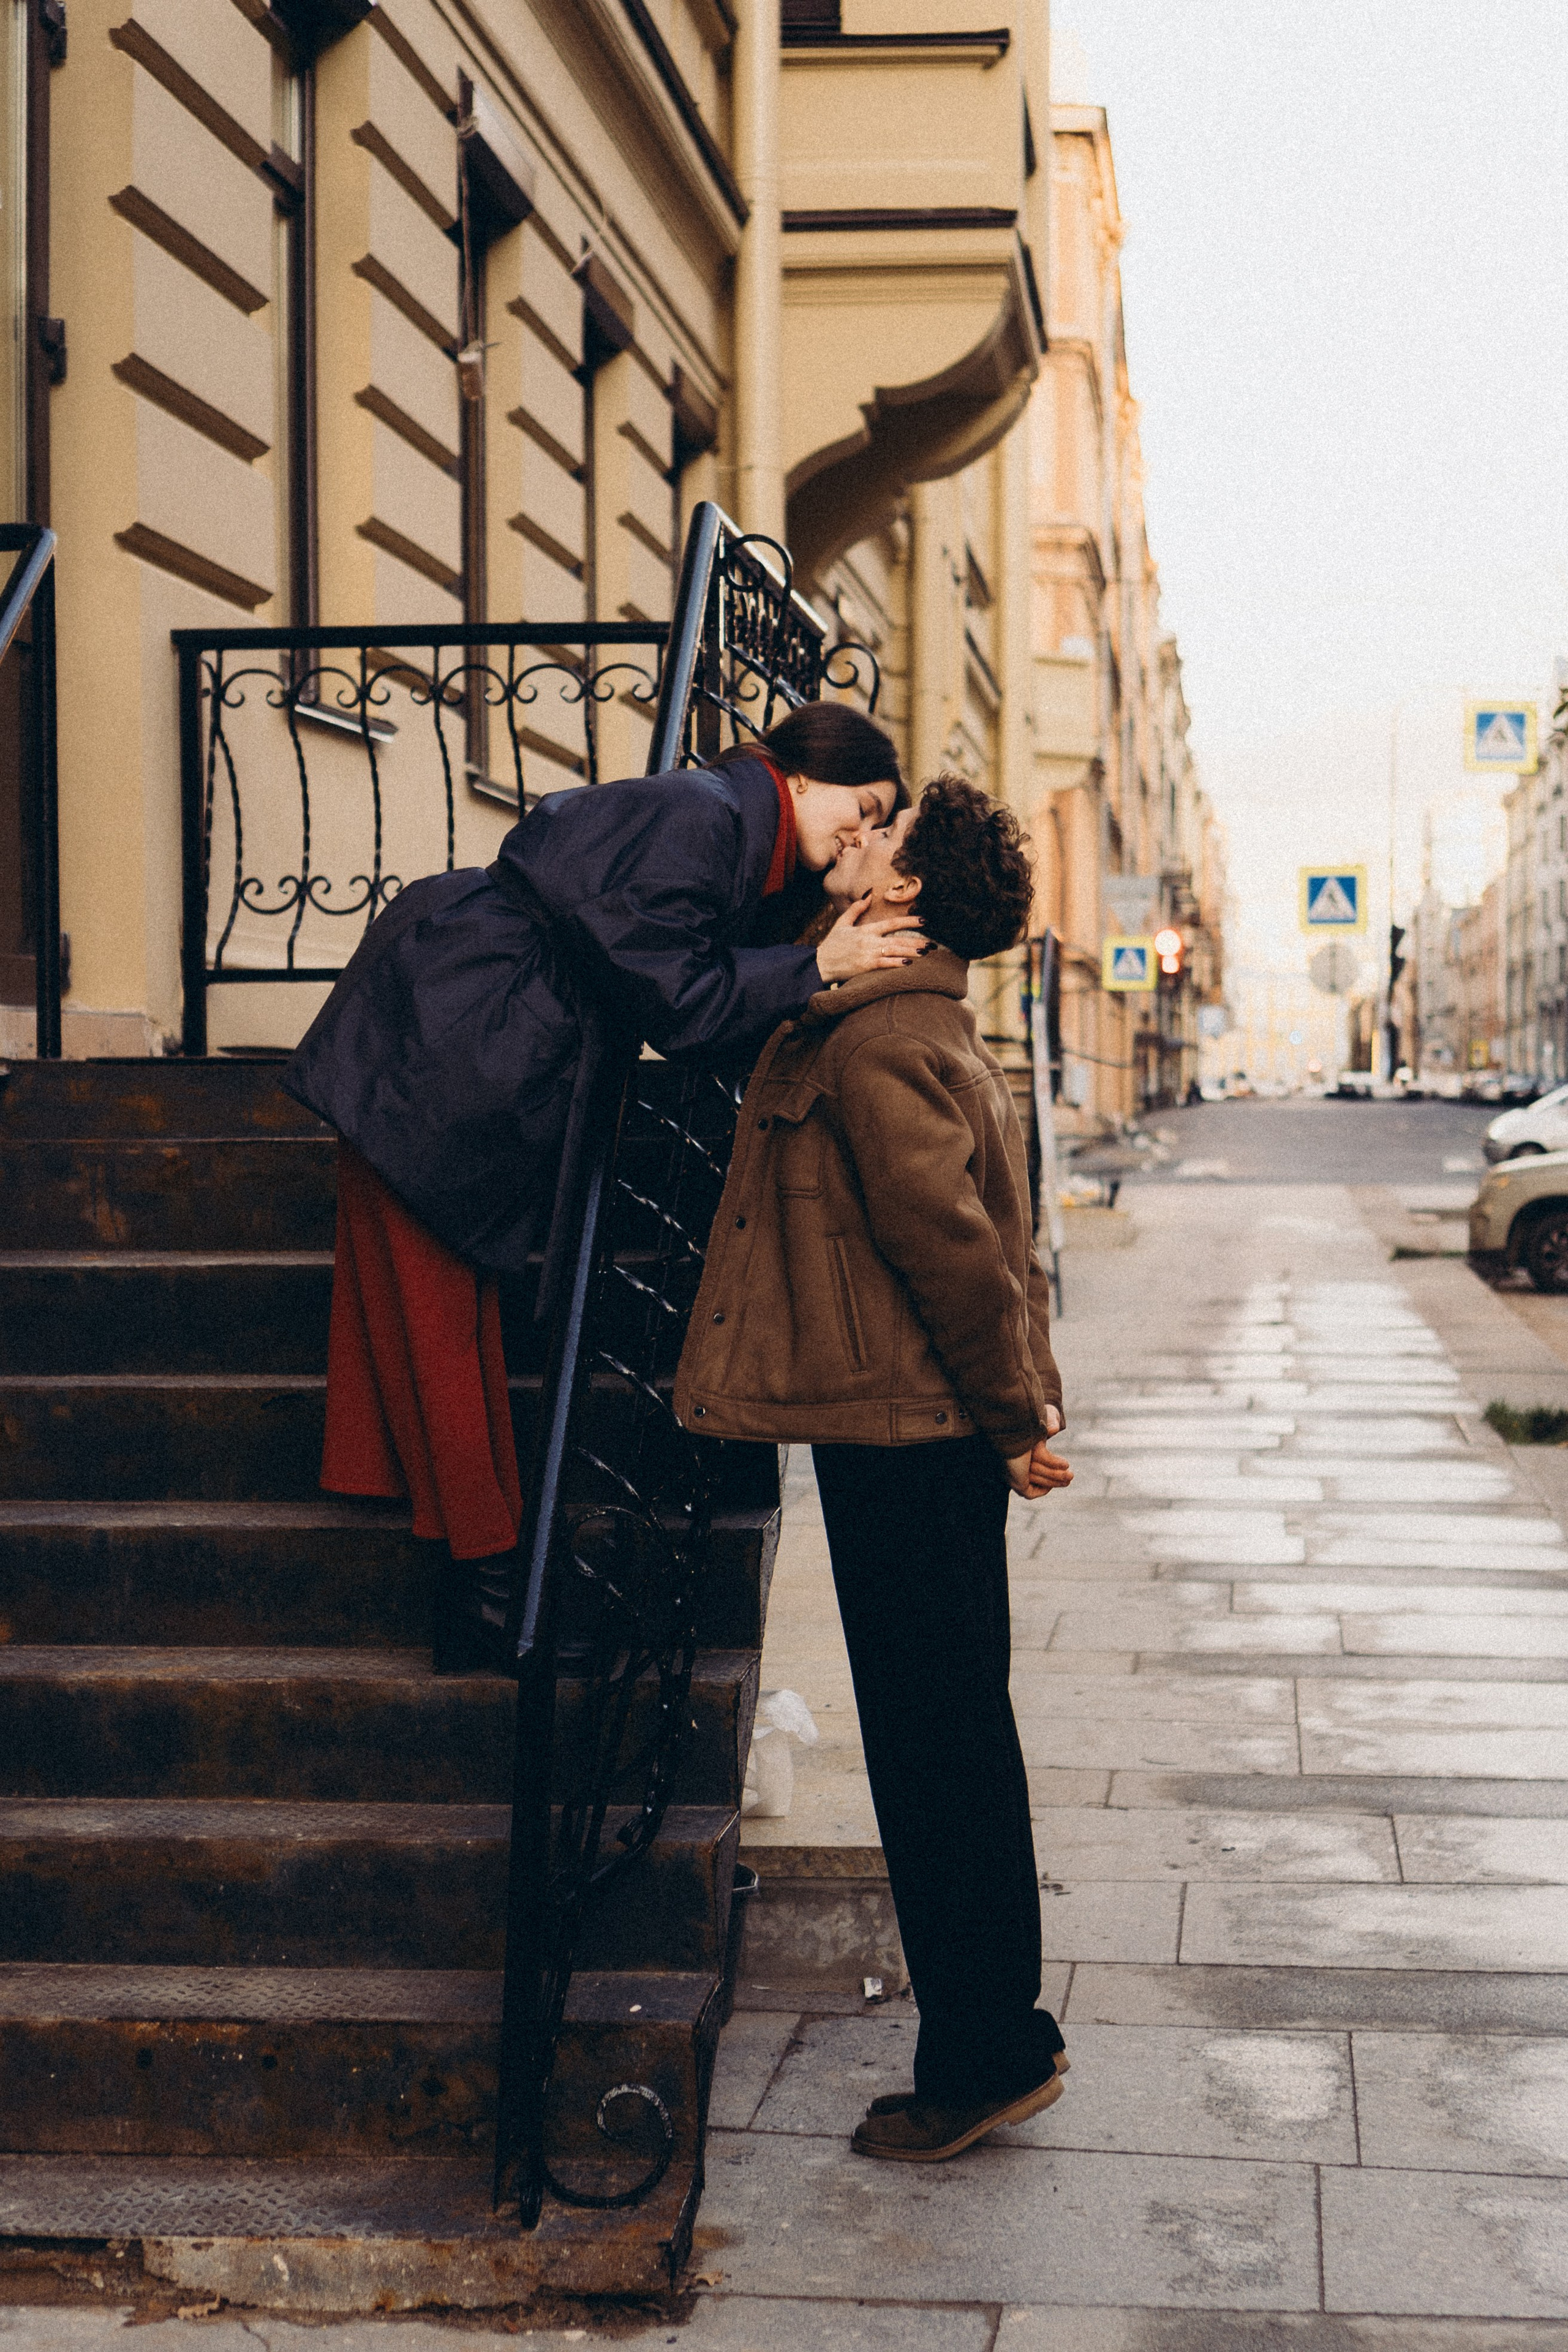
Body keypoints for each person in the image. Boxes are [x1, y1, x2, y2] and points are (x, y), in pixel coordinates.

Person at [284, 703, 919, 1670]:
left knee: (442, 1326)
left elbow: (688, 974)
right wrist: (815, 963)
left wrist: (821, 939)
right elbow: (681, 999)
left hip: (463, 1027)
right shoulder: (705, 815)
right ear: (800, 773)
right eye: (860, 806)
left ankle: (486, 1589)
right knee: (438, 1328)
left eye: (879, 824)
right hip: (451, 1035)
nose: (860, 831)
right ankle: (490, 1598)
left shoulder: (730, 832)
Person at [674, 774, 1074, 2163]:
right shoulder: (906, 1020)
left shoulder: (876, 1043)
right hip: (910, 1431)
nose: (857, 836)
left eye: (882, 834)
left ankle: (983, 2054)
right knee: (954, 1734)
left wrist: (1015, 1416)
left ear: (904, 888)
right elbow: (1000, 1237)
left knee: (934, 1751)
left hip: (909, 1439)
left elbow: (958, 1251)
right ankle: (1002, 2032)